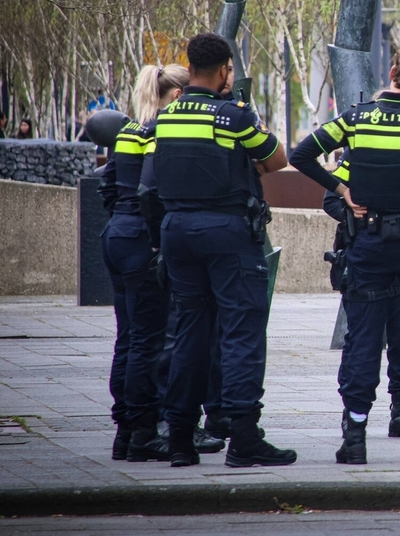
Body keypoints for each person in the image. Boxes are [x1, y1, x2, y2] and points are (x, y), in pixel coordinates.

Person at [289, 46, 400, 464]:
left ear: (390, 72)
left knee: (363, 341)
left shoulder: (356, 118)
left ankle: (354, 438)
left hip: (367, 247)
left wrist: (340, 189)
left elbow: (300, 155)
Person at [145, 32, 295, 468]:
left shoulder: (166, 116)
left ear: (189, 66)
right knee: (242, 332)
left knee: (190, 332)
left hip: (177, 231)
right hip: (227, 232)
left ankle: (179, 440)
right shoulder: (233, 117)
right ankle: (243, 437)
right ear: (226, 69)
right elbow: (276, 159)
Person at [99, 64, 189, 462]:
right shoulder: (157, 132)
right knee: (149, 342)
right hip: (141, 240)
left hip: (117, 235)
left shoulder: (128, 130)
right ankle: (143, 432)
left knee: (128, 337)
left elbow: (108, 184)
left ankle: (123, 431)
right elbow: (150, 191)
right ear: (174, 97)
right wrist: (155, 242)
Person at [323, 182, 400, 439]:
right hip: (365, 257)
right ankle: (353, 416)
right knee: (360, 340)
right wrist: (356, 213)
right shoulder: (357, 153)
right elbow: (331, 201)